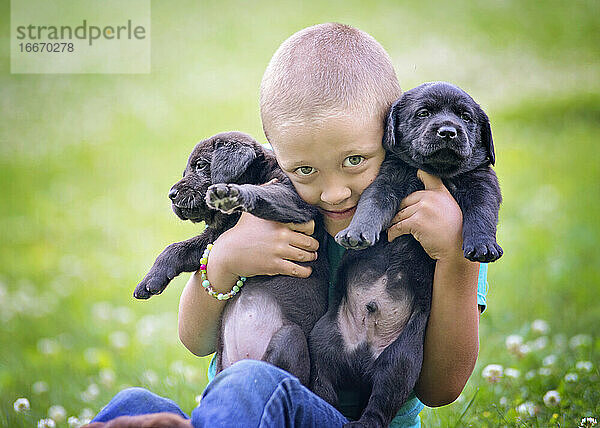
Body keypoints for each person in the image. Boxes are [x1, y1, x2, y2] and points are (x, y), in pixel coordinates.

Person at [87, 23, 488, 428]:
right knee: (132, 403)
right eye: (304, 169)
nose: (333, 193)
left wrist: (455, 255)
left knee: (251, 383)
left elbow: (441, 389)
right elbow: (196, 340)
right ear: (274, 153)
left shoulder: (440, 220)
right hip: (247, 410)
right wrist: (224, 259)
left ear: (393, 134)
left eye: (354, 161)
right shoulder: (260, 203)